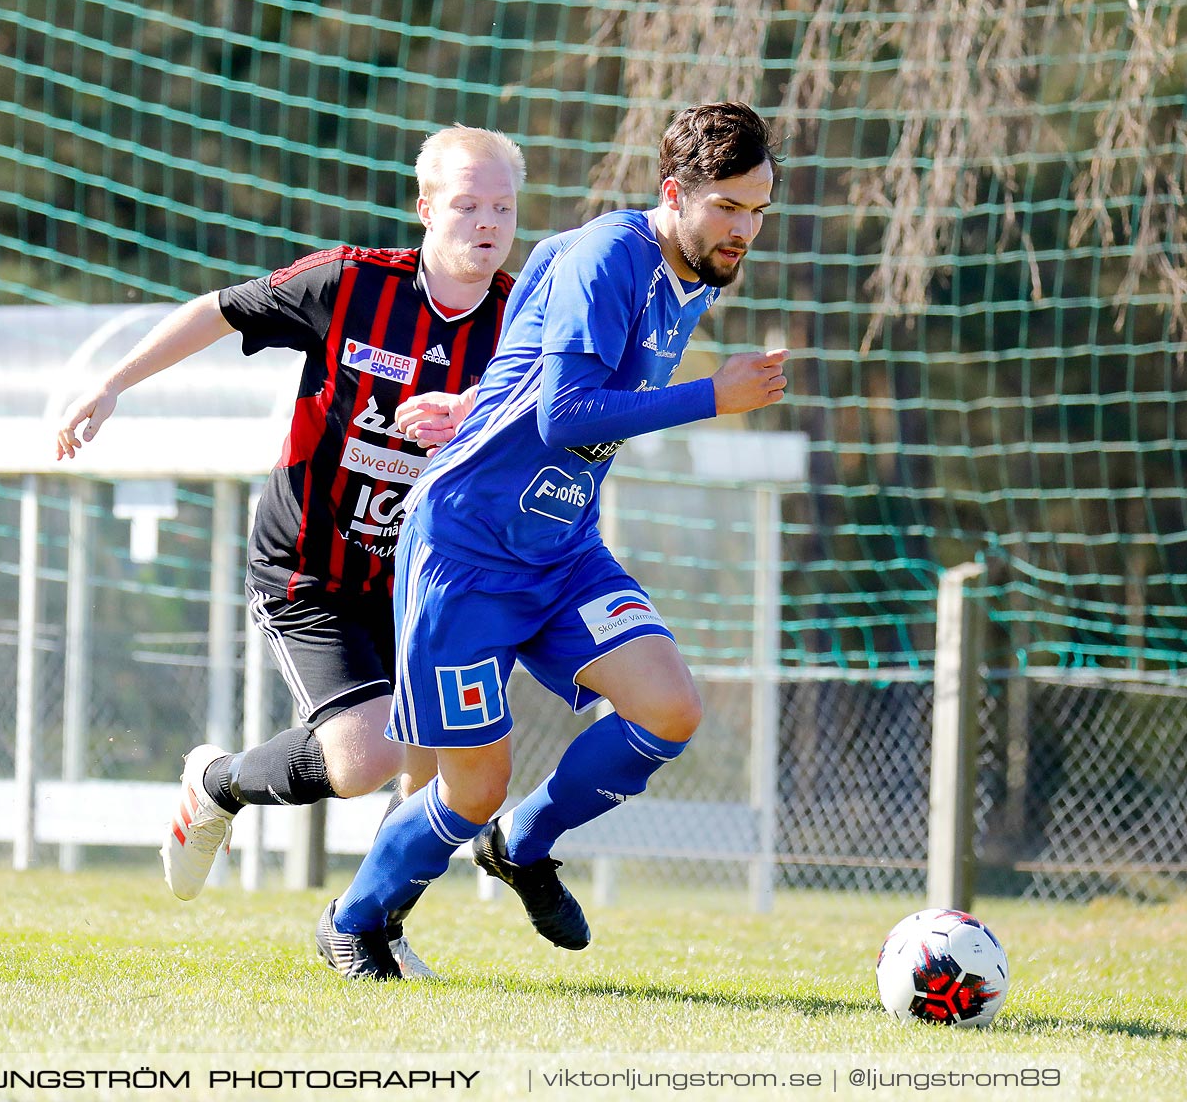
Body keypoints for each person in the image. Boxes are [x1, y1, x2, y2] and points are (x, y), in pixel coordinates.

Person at [315, 102, 788, 979]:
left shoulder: (694, 269)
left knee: (671, 707)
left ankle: (523, 846)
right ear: (674, 191)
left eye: (758, 210)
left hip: (563, 546)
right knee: (467, 788)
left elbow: (535, 321)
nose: (743, 230)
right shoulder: (611, 255)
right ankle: (355, 918)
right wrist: (710, 397)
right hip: (467, 550)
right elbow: (566, 413)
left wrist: (481, 399)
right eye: (727, 207)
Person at [54, 126, 525, 978]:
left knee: (438, 778)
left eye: (502, 206)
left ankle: (373, 925)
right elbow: (216, 310)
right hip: (312, 570)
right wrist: (110, 383)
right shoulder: (348, 284)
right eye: (466, 205)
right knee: (364, 760)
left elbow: (553, 426)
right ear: (426, 210)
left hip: (423, 580)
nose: (486, 222)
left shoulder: (522, 323)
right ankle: (219, 785)